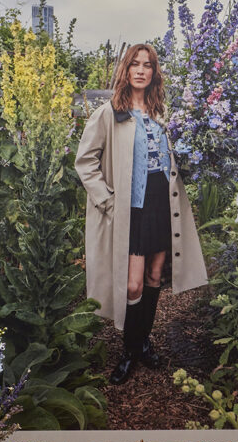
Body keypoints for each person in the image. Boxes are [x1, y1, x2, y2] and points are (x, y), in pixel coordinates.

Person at [75, 44, 208, 385]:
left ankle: (142, 343)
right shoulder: (110, 112)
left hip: (161, 202)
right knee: (131, 284)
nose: (141, 70)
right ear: (126, 70)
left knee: (153, 276)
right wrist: (106, 200)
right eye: (135, 64)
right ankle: (129, 350)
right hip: (131, 207)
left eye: (147, 65)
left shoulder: (161, 111)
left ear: (153, 73)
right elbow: (85, 161)